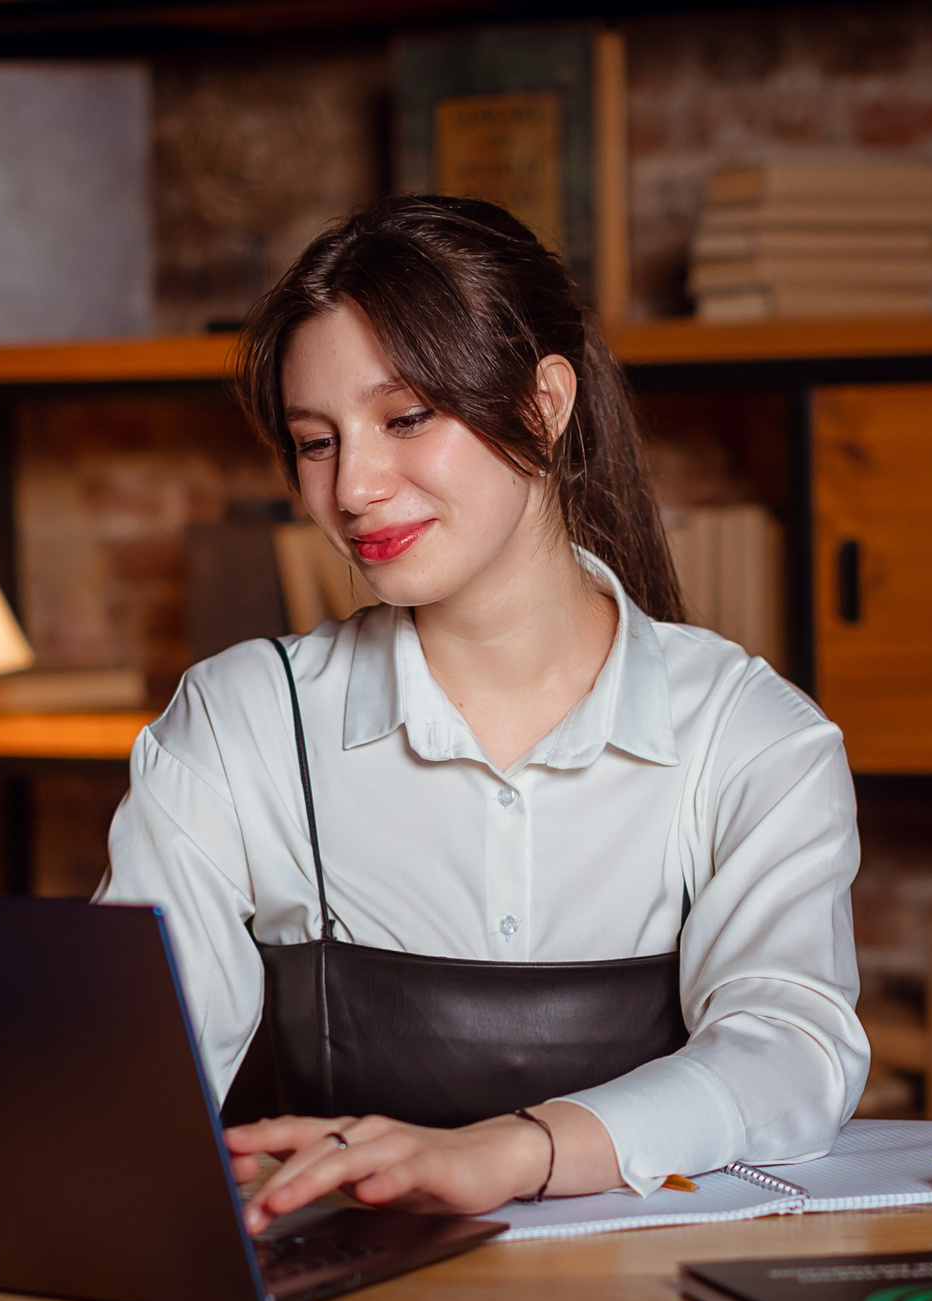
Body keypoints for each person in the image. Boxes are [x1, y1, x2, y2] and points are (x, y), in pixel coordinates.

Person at [97, 195, 865, 1233]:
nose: (355, 488)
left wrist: (513, 1151)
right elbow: (129, 1075)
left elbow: (793, 1053)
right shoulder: (238, 724)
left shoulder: (752, 738)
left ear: (544, 402)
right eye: (315, 442)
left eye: (407, 418)